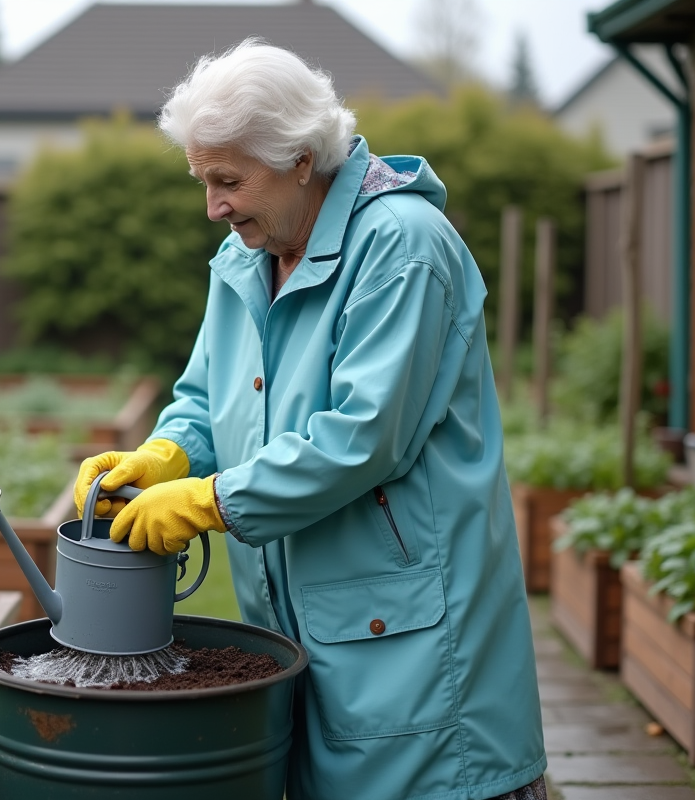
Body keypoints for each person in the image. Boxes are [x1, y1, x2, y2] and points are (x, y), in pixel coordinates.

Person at [74, 39, 547, 800]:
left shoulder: (401, 247)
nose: (213, 207)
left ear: (300, 157)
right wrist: (167, 452)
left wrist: (208, 501)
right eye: (203, 180)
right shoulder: (246, 256)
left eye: (228, 180)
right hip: (303, 631)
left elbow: (364, 437)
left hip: (416, 651)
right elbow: (205, 396)